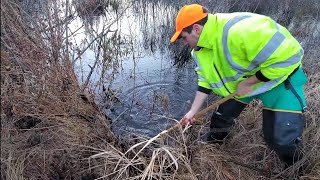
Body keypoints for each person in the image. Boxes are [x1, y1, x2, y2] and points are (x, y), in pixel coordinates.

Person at [170, 4, 307, 167]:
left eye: (183, 37)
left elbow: (288, 58)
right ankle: (212, 152)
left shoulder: (240, 30)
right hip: (245, 82)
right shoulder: (199, 50)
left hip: (279, 79)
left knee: (280, 140)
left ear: (197, 29)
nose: (184, 43)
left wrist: (250, 82)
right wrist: (193, 111)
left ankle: (298, 170)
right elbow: (205, 80)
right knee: (220, 118)